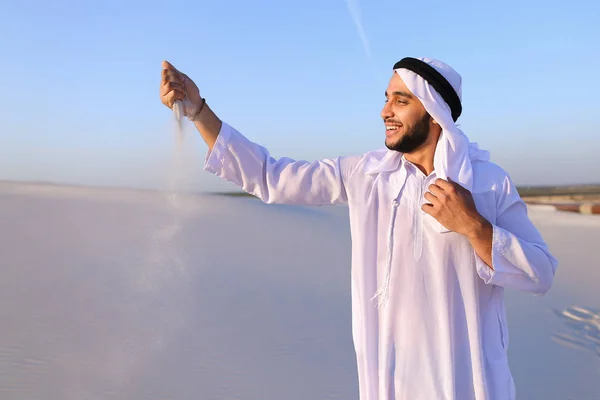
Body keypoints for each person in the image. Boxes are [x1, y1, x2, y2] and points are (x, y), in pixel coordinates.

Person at [159, 57, 558, 400]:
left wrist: (473, 226)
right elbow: (270, 176)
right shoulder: (366, 174)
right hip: (388, 381)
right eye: (386, 99)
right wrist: (198, 110)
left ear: (434, 111)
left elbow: (540, 273)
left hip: (466, 383)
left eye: (400, 101)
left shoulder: (487, 182)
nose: (386, 111)